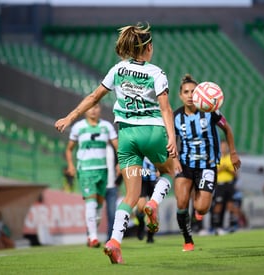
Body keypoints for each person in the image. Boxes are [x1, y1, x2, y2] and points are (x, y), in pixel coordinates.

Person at [55, 23, 177, 264]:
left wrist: (69, 117)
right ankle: (153, 203)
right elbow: (166, 109)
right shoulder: (156, 73)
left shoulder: (118, 70)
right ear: (148, 48)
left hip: (126, 137)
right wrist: (171, 137)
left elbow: (93, 97)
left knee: (130, 197)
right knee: (172, 171)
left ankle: (114, 242)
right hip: (152, 132)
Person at [173, 74, 241, 252]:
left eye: (193, 91)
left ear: (199, 94)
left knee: (202, 209)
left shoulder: (210, 111)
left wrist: (233, 153)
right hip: (185, 165)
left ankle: (198, 210)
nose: (189, 95)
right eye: (186, 92)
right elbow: (171, 142)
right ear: (180, 95)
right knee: (181, 203)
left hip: (207, 165)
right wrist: (171, 161)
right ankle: (188, 240)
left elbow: (227, 128)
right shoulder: (175, 117)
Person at [65, 103, 118, 248]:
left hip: (103, 170)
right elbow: (69, 149)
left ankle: (93, 228)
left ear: (100, 109)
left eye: (96, 107)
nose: (93, 110)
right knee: (91, 202)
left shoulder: (107, 126)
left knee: (99, 208)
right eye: (90, 108)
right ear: (85, 110)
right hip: (86, 170)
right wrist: (70, 165)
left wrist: (120, 162)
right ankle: (93, 237)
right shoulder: (78, 127)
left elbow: (117, 146)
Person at [212, 140, 239, 235]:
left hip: (229, 184)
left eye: (225, 146)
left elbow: (236, 174)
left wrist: (227, 169)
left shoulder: (231, 158)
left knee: (230, 205)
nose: (223, 148)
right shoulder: (216, 158)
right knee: (218, 205)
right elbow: (213, 172)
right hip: (220, 185)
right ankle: (216, 227)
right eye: (222, 146)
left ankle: (233, 226)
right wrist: (222, 169)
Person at [136, 157, 158, 243]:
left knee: (153, 209)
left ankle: (150, 236)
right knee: (141, 207)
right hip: (142, 179)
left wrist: (160, 170)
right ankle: (141, 223)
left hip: (154, 179)